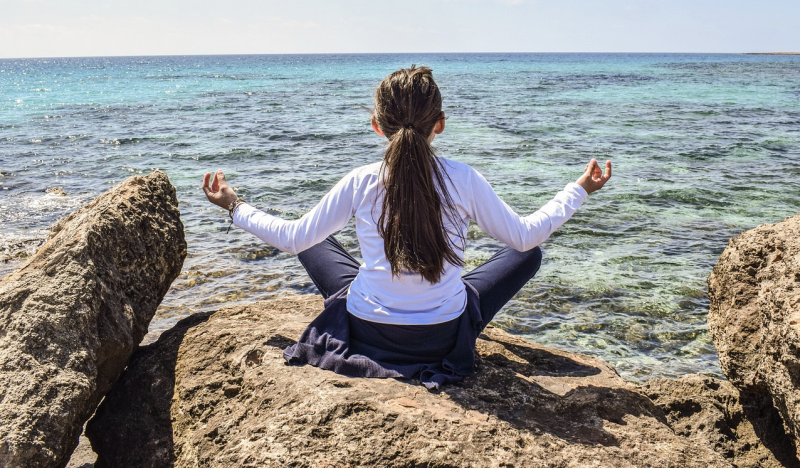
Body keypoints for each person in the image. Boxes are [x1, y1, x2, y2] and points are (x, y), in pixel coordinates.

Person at [202, 65, 611, 389]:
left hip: (367, 331)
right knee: (528, 253)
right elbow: (525, 236)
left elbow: (291, 238)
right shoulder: (463, 177)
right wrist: (578, 190)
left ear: (377, 125)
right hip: (442, 336)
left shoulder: (362, 179)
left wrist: (234, 205)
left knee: (311, 239)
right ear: (441, 123)